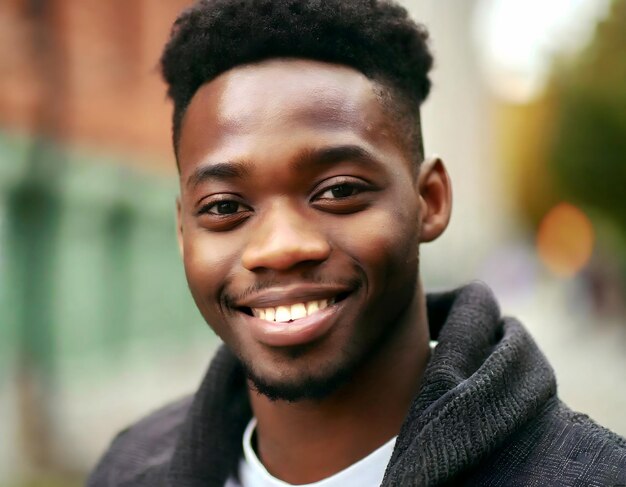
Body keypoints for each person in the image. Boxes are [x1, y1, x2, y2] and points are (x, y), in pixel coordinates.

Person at [88, 0, 626, 485]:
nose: (278, 247)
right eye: (226, 207)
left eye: (338, 191)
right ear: (184, 232)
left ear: (430, 201)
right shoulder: (128, 470)